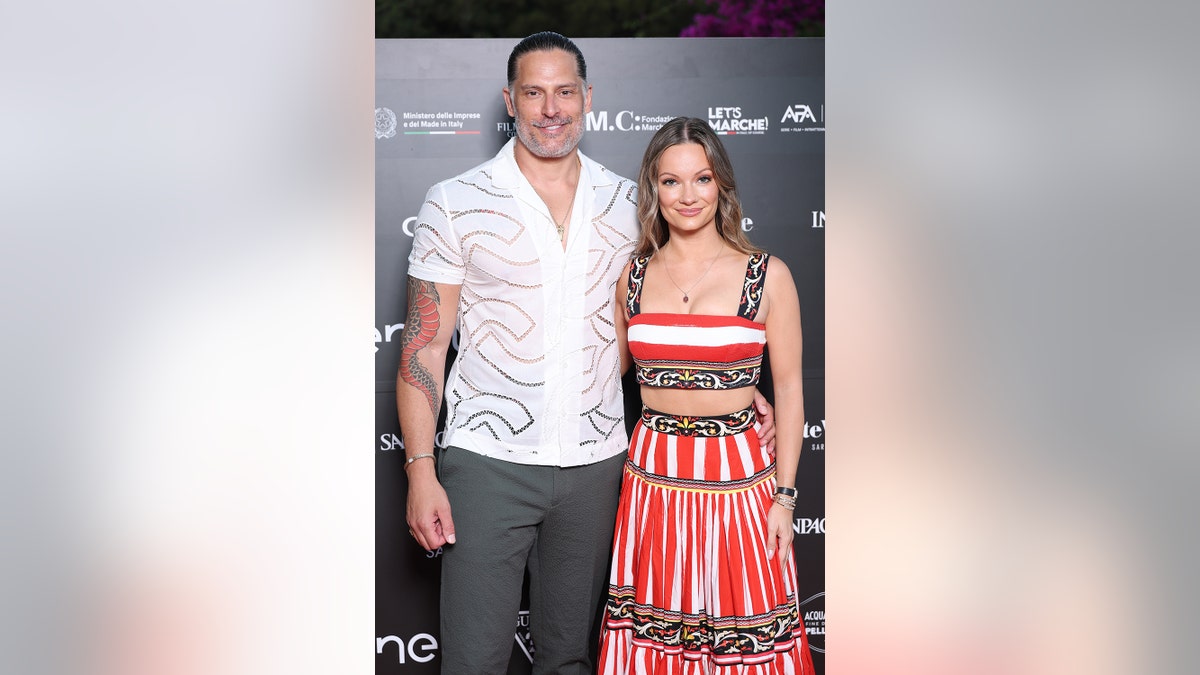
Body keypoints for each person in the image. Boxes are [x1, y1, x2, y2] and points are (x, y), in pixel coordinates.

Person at [395, 35, 776, 674]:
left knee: (571, 659)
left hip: (598, 467)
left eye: (565, 91)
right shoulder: (455, 201)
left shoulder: (632, 204)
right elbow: (424, 346)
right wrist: (420, 470)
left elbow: (665, 315)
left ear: (588, 99)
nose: (551, 108)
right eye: (535, 92)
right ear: (510, 100)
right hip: (487, 464)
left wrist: (728, 384)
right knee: (471, 660)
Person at [598, 117, 816, 674]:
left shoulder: (767, 276)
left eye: (701, 179)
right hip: (653, 477)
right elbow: (601, 373)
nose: (687, 195)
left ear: (721, 185)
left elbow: (789, 390)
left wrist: (785, 499)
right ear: (653, 189)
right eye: (670, 182)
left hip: (739, 477)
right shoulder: (633, 276)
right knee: (658, 629)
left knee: (745, 628)